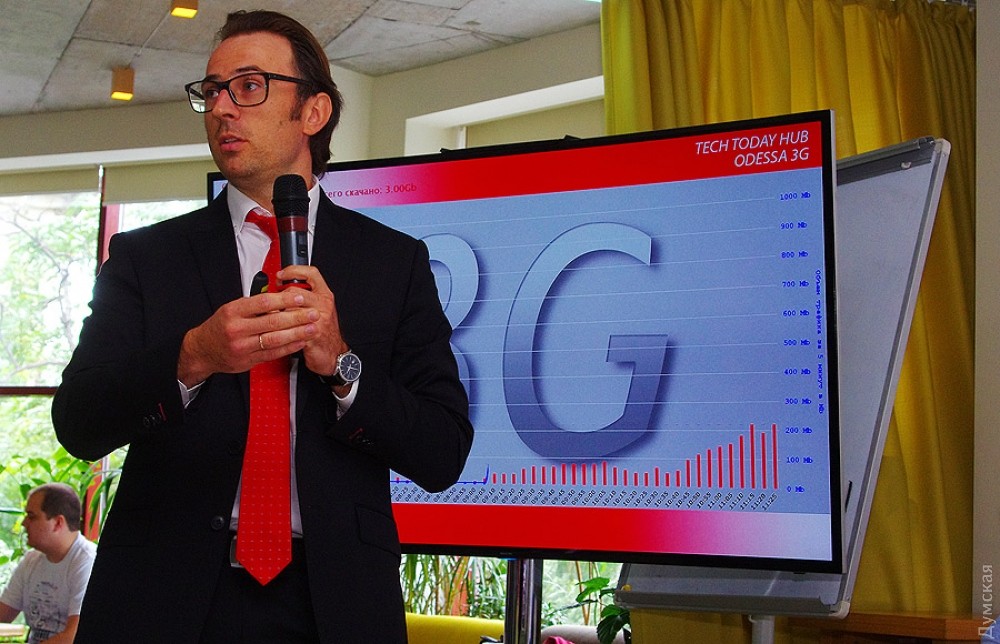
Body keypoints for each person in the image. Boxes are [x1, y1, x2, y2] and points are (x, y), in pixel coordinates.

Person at [51, 9, 473, 643]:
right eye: (211, 91)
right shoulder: (146, 258)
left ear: (313, 112)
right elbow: (79, 422)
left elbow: (443, 451)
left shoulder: (393, 263)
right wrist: (192, 356)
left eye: (248, 86)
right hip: (162, 598)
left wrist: (343, 366)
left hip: (335, 604)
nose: (221, 108)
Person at [0, 483, 96, 644]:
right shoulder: (31, 560)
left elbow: (72, 637)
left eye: (31, 517)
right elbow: (3, 613)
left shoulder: (87, 562)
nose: (24, 523)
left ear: (58, 523)